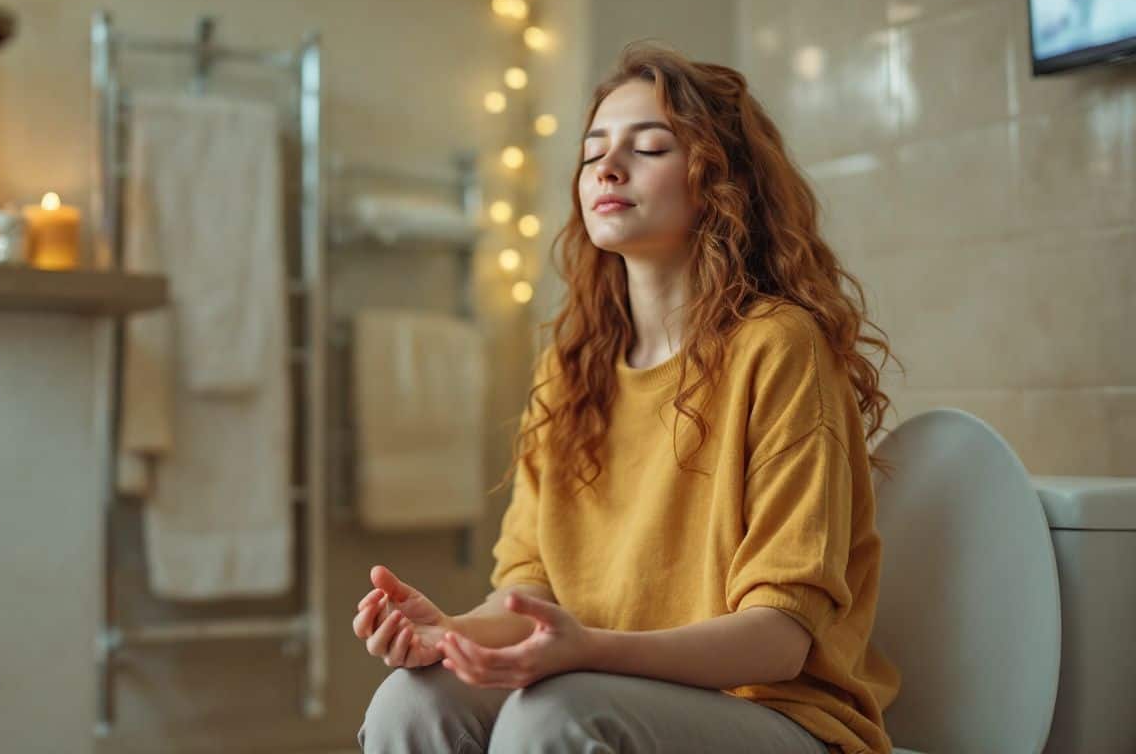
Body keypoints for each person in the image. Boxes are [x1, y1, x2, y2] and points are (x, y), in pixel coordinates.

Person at [354, 41, 902, 753]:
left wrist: (587, 651)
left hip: (781, 717)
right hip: (603, 687)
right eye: (593, 153)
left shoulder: (779, 346)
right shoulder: (570, 370)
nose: (608, 168)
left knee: (553, 716)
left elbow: (778, 641)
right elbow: (534, 598)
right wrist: (448, 633)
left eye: (649, 148)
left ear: (720, 179)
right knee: (413, 700)